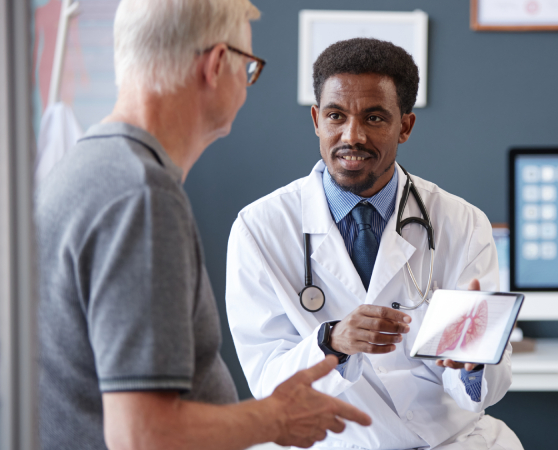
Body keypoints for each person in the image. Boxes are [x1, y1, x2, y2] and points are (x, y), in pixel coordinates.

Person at [36, 1, 370, 449]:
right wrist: (276, 419)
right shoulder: (141, 196)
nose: (247, 85)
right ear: (216, 64)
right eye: (248, 68)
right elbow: (143, 435)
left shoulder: (85, 165)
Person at [226, 38, 523, 450]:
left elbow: (482, 387)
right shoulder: (260, 228)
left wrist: (474, 365)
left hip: (449, 441)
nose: (353, 136)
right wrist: (332, 342)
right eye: (335, 116)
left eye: (375, 118)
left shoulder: (461, 222)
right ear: (316, 119)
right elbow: (267, 381)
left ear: (405, 125)